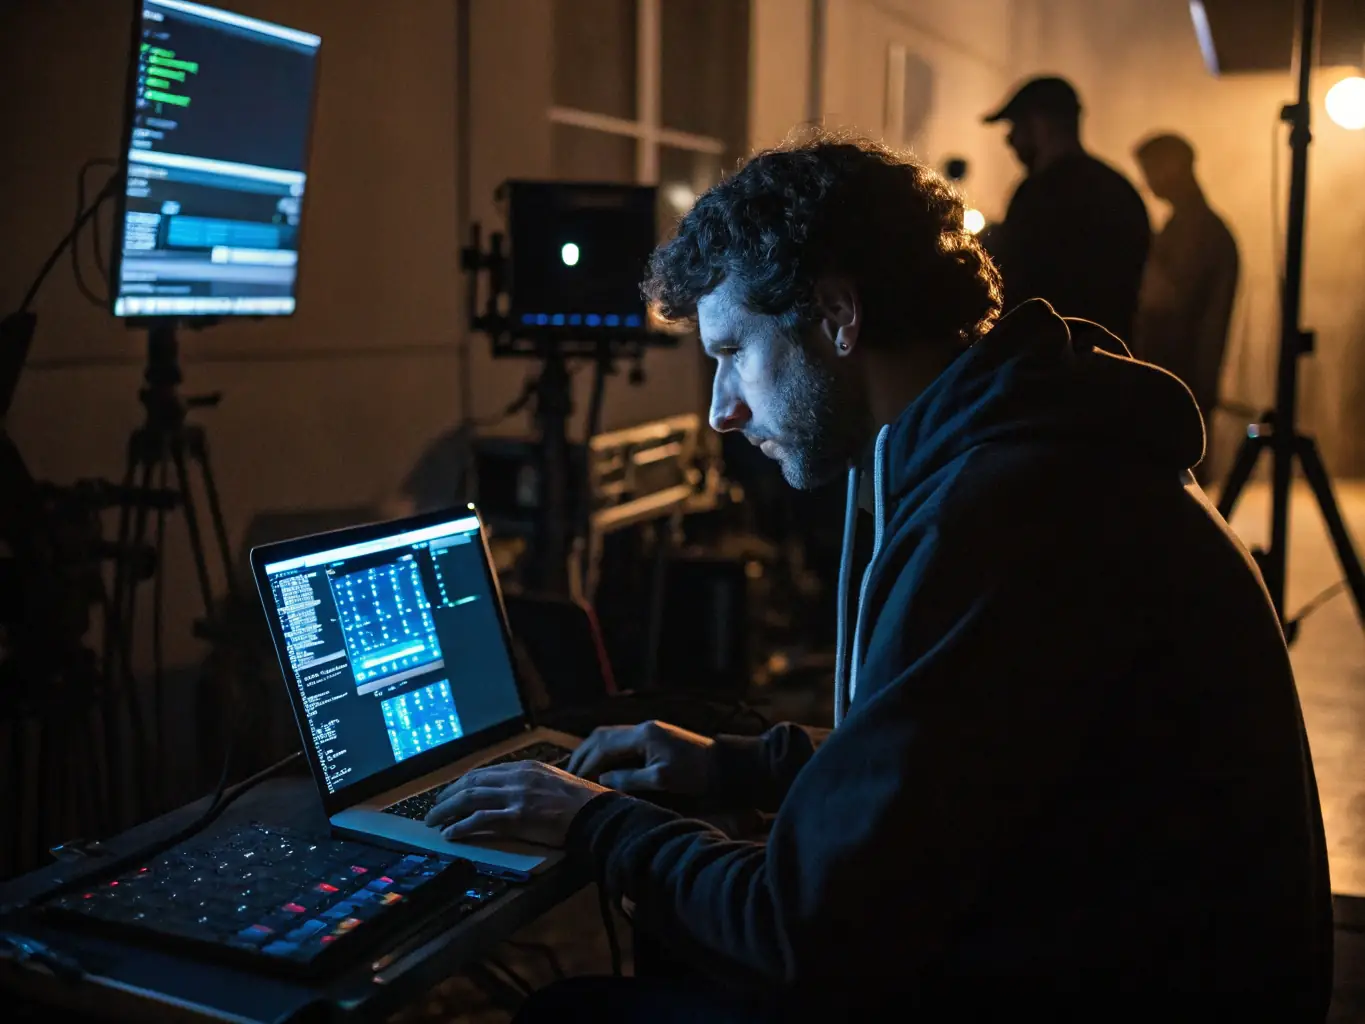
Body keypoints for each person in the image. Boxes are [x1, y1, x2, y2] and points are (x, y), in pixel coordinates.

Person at [424, 132, 1332, 1019]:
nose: (720, 412)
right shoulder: (1031, 453)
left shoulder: (1003, 513)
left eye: (732, 352)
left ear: (837, 315)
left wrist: (595, 822)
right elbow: (963, 760)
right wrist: (737, 765)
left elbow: (805, 936)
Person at [983, 76, 1151, 342]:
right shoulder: (1120, 190)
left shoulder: (1037, 194)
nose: (1010, 140)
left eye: (1016, 126)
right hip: (1109, 354)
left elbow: (1013, 283)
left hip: (1048, 354)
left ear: (1041, 124)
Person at [1132, 133, 1240, 485]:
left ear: (1175, 166)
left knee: (1178, 484)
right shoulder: (1191, 227)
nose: (1148, 182)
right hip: (1182, 378)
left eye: (1150, 170)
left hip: (1179, 376)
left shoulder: (1198, 231)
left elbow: (1167, 298)